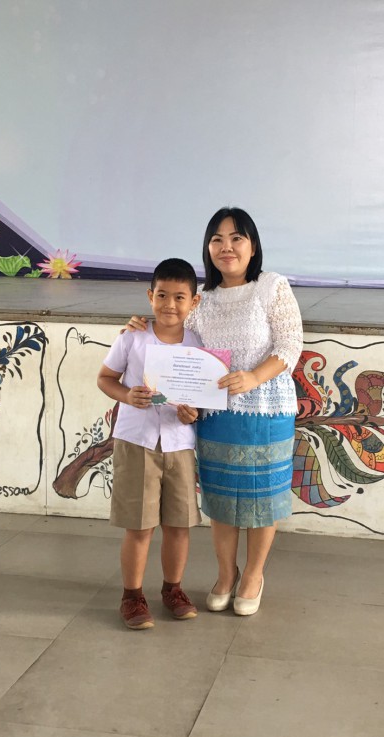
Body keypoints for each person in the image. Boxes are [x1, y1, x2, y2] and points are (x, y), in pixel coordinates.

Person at [126, 208, 303, 616]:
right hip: (215, 414)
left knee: (262, 498)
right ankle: (226, 574)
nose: (227, 247)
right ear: (208, 248)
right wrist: (140, 326)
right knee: (221, 500)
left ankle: (253, 576)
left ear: (252, 246)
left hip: (267, 410)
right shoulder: (201, 300)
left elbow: (290, 343)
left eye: (236, 238)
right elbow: (172, 332)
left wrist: (254, 377)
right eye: (217, 239)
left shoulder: (271, 287)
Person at [97, 258, 202, 630]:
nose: (169, 304)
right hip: (137, 441)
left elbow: (200, 397)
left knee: (179, 524)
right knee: (139, 526)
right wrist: (127, 396)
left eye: (179, 297)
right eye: (162, 295)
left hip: (180, 444)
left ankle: (173, 590)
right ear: (149, 296)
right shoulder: (133, 336)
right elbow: (105, 378)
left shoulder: (199, 345)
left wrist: (193, 414)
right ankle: (132, 596)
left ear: (194, 302)